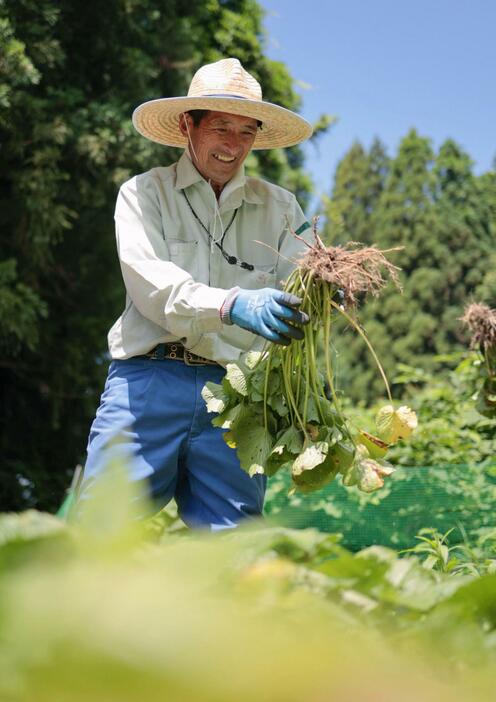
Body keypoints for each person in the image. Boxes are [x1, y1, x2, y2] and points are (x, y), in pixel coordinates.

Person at [79, 57, 313, 529]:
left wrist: (325, 290)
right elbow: (150, 283)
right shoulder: (145, 194)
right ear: (188, 124)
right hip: (147, 380)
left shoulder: (281, 207)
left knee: (234, 545)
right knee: (100, 533)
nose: (233, 145)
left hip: (235, 395)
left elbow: (302, 280)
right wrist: (231, 304)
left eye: (246, 132)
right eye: (221, 127)